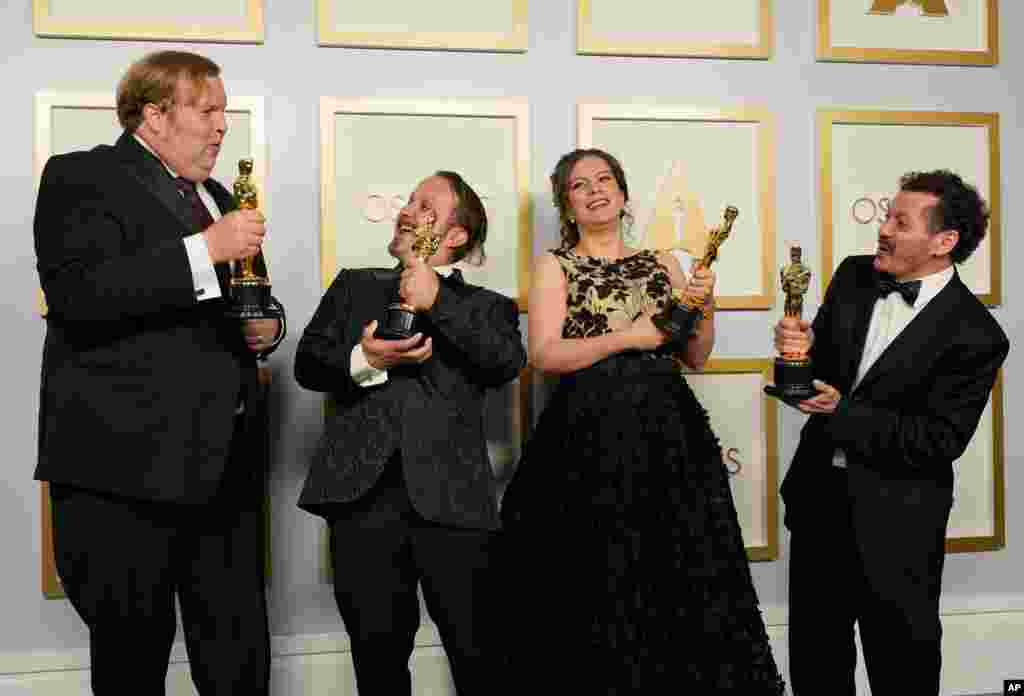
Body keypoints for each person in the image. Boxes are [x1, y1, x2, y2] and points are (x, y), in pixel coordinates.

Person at [34, 50, 284, 694]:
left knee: (236, 652)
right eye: (208, 110)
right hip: (122, 473)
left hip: (222, 469)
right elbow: (80, 296)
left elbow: (247, 297)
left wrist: (267, 326)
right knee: (132, 656)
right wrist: (206, 250)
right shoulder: (80, 176)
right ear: (153, 115)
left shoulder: (219, 196)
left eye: (224, 110)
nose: (223, 125)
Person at [500, 148, 785, 694]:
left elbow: (697, 355)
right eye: (580, 185)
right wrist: (630, 338)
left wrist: (704, 307)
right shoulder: (555, 265)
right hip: (587, 437)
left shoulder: (666, 263)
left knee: (678, 574)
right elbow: (543, 354)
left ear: (625, 194)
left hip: (668, 437)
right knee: (600, 574)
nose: (595, 190)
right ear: (568, 204)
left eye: (605, 179)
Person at [775, 170, 1008, 695]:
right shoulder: (854, 276)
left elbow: (938, 441)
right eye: (886, 215)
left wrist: (842, 413)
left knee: (901, 667)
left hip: (897, 525)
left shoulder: (976, 334)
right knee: (816, 663)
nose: (883, 229)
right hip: (819, 506)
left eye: (899, 221)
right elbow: (817, 378)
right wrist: (796, 350)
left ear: (944, 242)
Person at [294, 171, 526, 695]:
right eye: (409, 200)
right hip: (361, 498)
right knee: (377, 658)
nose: (407, 209)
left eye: (425, 204)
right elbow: (309, 364)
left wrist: (436, 299)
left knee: (477, 653)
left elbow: (503, 363)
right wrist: (365, 358)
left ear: (458, 234)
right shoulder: (354, 285)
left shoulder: (488, 306)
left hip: (454, 502)